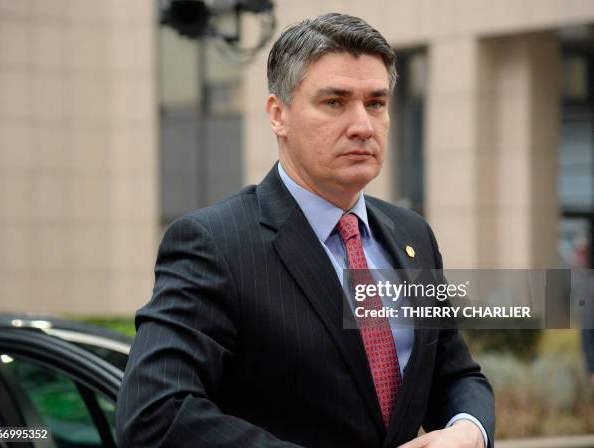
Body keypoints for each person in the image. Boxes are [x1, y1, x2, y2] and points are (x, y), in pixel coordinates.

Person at [116, 13, 495, 448]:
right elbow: (156, 414)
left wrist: (468, 430)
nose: (363, 125)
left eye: (376, 103)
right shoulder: (214, 243)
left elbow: (457, 374)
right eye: (334, 102)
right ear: (278, 114)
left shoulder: (413, 235)